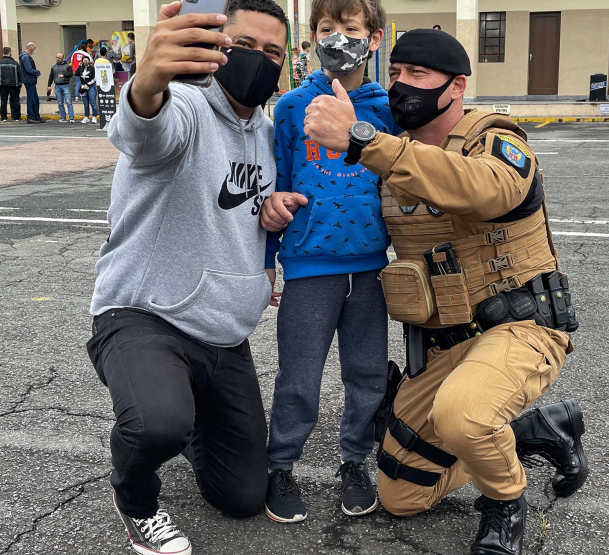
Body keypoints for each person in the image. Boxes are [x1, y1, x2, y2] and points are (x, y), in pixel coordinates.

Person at [261, 29, 589, 555]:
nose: (400, 86)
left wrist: (367, 140)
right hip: (445, 345)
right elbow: (336, 203)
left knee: (464, 414)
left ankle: (505, 501)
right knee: (401, 494)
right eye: (394, 73)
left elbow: (486, 189)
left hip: (518, 326)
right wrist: (278, 211)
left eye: (417, 75)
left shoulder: (493, 136)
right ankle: (534, 432)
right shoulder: (396, 157)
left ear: (457, 86)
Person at [85, 0, 289, 553]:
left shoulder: (271, 134)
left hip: (223, 335)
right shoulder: (188, 106)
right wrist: (146, 78)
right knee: (156, 424)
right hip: (144, 316)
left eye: (272, 52)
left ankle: (185, 412)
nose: (258, 61)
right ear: (218, 47)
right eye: (243, 46)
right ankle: (136, 500)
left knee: (244, 496)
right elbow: (144, 129)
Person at [261, 0, 397, 524]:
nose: (338, 38)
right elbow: (276, 188)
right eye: (326, 28)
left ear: (375, 38)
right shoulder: (293, 106)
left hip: (369, 267)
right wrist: (269, 261)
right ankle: (281, 465)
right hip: (309, 265)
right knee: (299, 375)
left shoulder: (387, 109)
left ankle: (354, 461)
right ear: (311, 37)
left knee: (365, 374)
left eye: (351, 29)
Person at [0, 47, 22, 122]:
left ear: (3, 53)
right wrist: (19, 84)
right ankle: (16, 117)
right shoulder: (15, 63)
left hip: (3, 85)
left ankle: (4, 117)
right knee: (15, 101)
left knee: (3, 101)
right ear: (9, 52)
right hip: (14, 85)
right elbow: (19, 74)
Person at [19, 42, 44, 123]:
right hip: (29, 81)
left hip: (30, 81)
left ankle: (35, 115)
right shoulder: (26, 57)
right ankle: (31, 116)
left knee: (35, 99)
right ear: (31, 48)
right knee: (31, 98)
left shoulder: (25, 57)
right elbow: (29, 69)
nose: (35, 50)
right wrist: (37, 72)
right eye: (34, 48)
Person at [47, 52, 75, 123]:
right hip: (57, 85)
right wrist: (49, 85)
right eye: (56, 57)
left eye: (59, 58)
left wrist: (64, 75)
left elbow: (70, 74)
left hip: (65, 85)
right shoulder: (53, 67)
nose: (57, 59)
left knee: (68, 101)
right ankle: (63, 117)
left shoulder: (67, 66)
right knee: (60, 102)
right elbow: (51, 76)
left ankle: (71, 117)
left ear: (63, 58)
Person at [76, 56, 98, 123]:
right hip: (83, 87)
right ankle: (86, 116)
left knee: (93, 102)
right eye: (84, 60)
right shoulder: (81, 69)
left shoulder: (92, 68)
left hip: (91, 87)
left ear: (89, 61)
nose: (85, 61)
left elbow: (95, 78)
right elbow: (76, 74)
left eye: (86, 60)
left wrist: (87, 84)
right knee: (85, 103)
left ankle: (94, 116)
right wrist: (79, 66)